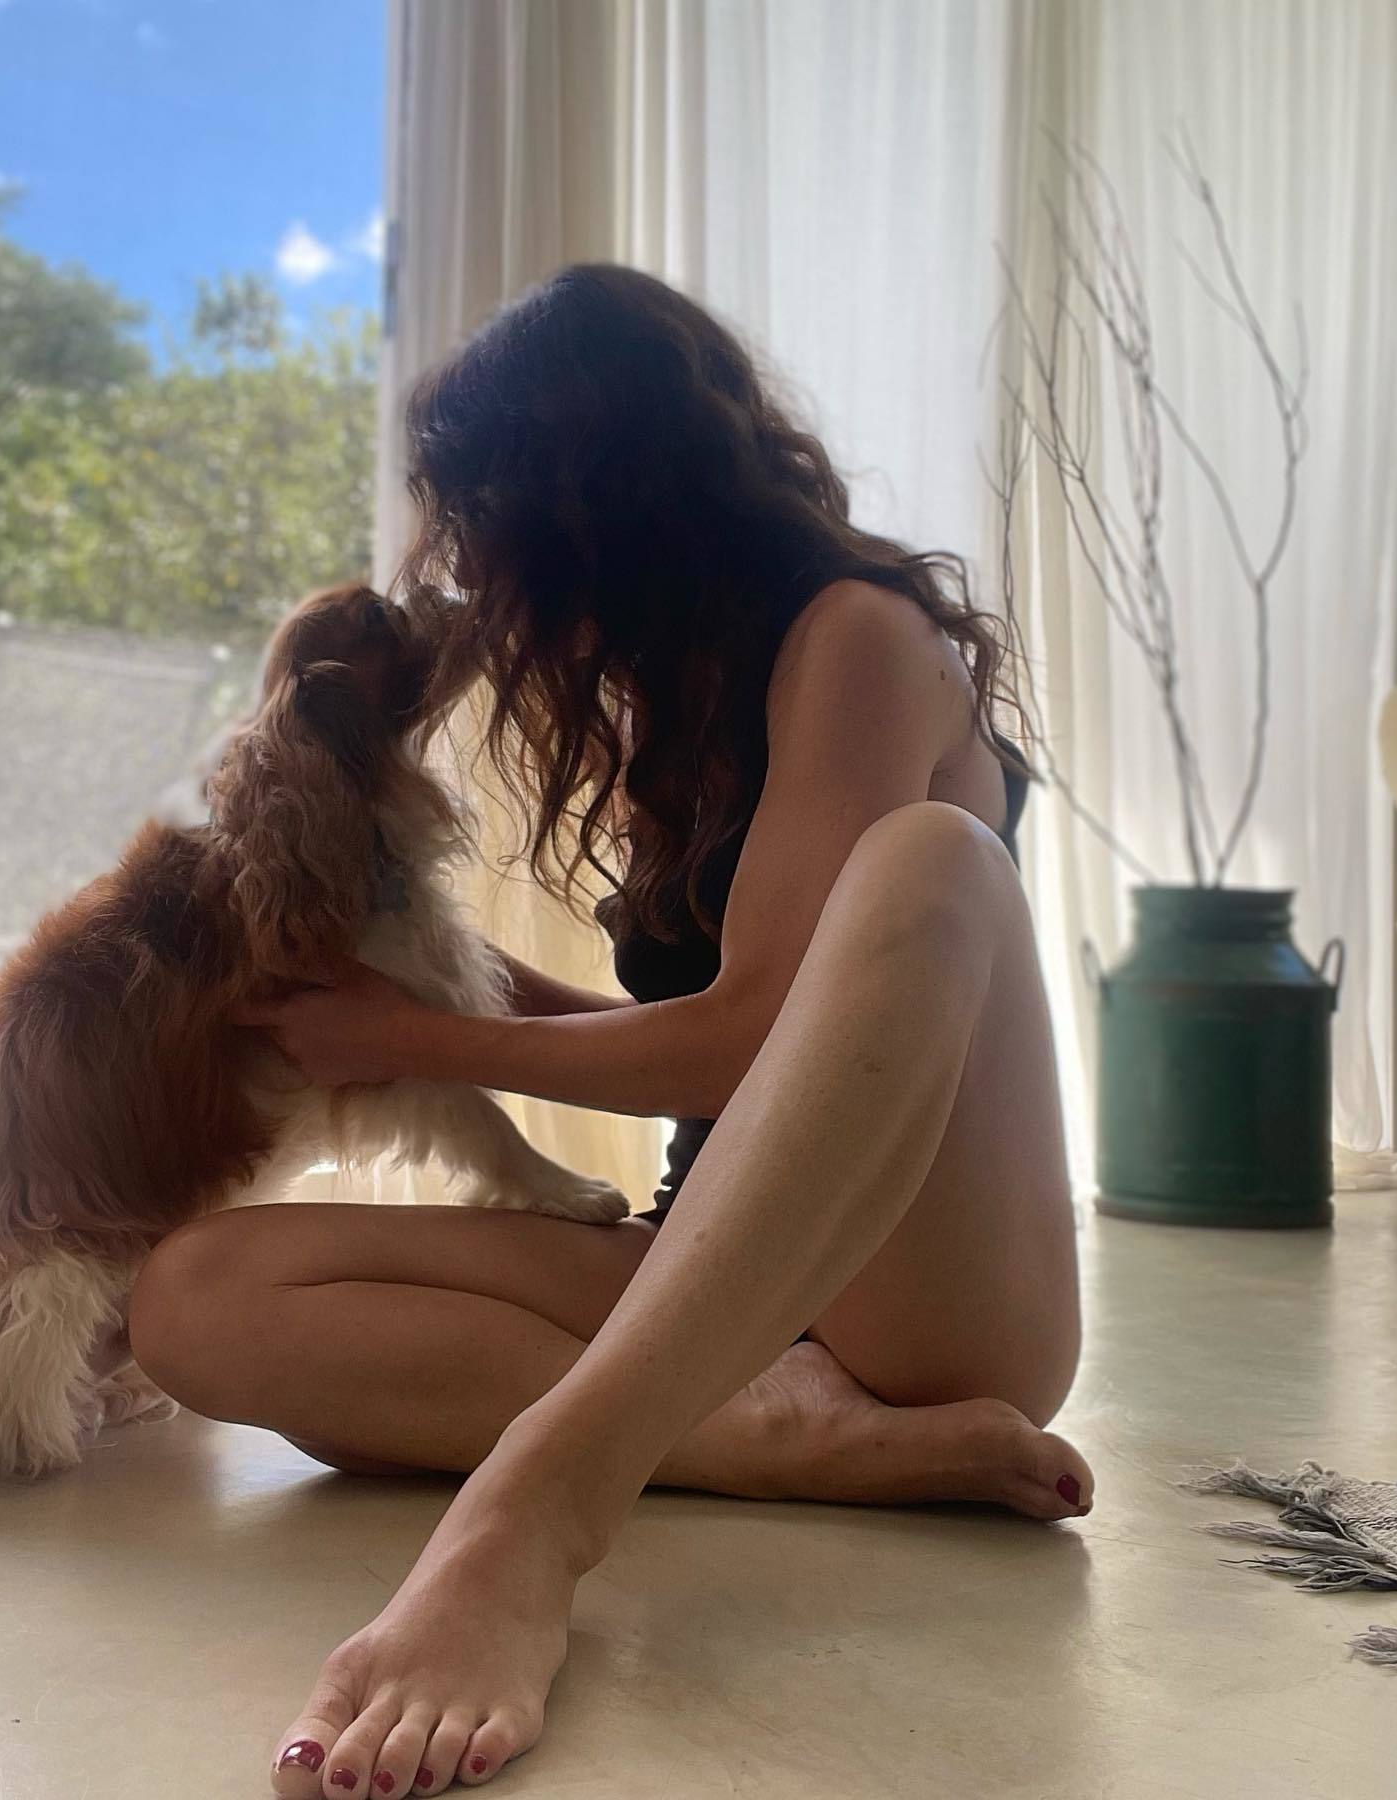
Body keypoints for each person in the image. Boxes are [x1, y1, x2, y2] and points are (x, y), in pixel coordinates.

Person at [127, 264, 1089, 1799]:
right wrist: (429, 979)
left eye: (489, 526)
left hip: (923, 1303)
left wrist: (424, 1038)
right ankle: (775, 1438)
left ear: (596, 502)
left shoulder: (856, 637)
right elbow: (710, 1040)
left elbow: (748, 1043)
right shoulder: (684, 695)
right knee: (188, 1300)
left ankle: (536, 1517)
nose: (474, 575)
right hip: (716, 1277)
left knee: (932, 862)